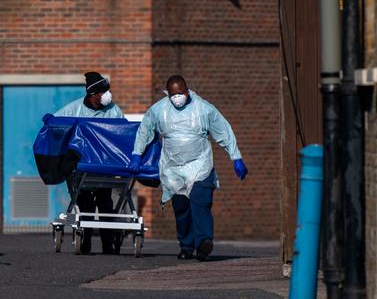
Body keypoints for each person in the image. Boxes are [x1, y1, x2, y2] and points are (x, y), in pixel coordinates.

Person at [128, 75, 248, 261]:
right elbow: (145, 131)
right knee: (181, 208)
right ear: (168, 94)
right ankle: (186, 245)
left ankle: (203, 242)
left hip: (200, 164)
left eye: (181, 93)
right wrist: (137, 153)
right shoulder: (159, 110)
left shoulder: (203, 109)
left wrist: (236, 157)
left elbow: (223, 131)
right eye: (173, 94)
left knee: (200, 202)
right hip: (173, 168)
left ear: (187, 90)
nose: (178, 98)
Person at [52, 71, 124, 254]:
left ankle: (108, 244)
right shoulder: (74, 109)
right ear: (93, 95)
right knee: (85, 204)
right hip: (82, 166)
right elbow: (56, 124)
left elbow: (122, 132)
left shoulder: (113, 111)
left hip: (104, 165)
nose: (108, 95)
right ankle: (85, 243)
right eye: (103, 91)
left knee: (105, 202)